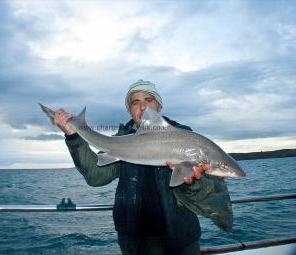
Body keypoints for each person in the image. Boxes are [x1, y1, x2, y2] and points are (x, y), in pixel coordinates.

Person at [54, 80, 232, 255]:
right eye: (135, 102)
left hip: (181, 238)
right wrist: (73, 137)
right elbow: (95, 176)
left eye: (149, 100)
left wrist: (192, 182)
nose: (143, 107)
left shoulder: (188, 139)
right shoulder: (120, 141)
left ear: (159, 107)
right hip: (135, 242)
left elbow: (210, 198)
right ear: (129, 110)